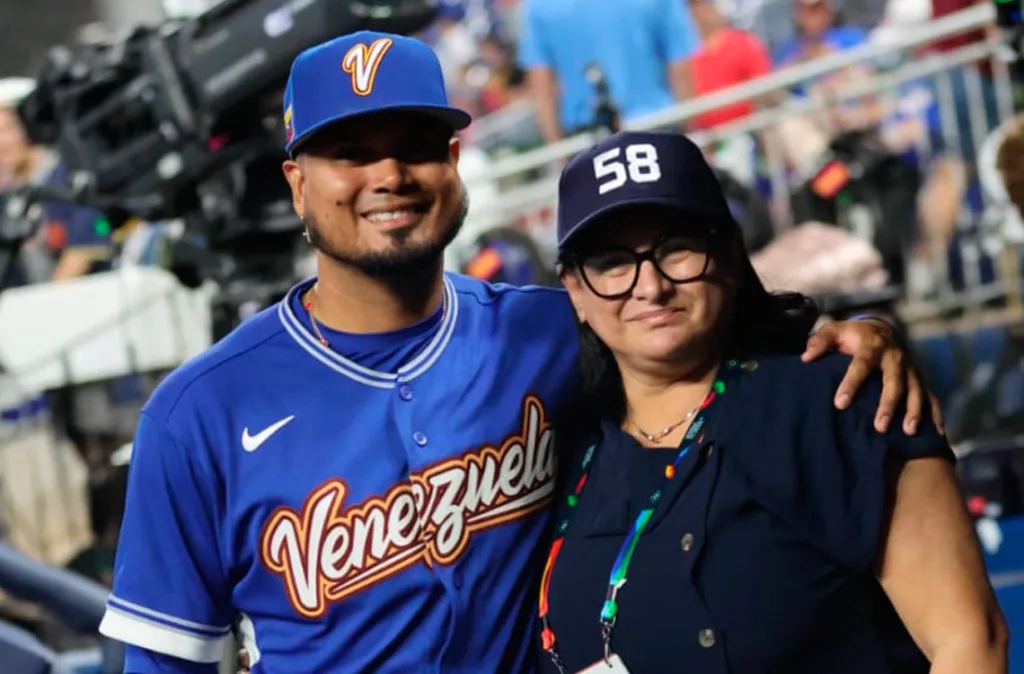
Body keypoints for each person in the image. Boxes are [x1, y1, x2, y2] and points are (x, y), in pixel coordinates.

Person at [101, 31, 937, 673]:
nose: (388, 174)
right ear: (296, 182)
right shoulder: (199, 413)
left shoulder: (555, 328)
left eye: (416, 145)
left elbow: (700, 331)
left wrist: (860, 335)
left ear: (456, 162)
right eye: (350, 153)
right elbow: (163, 655)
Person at [536, 130, 1007, 673]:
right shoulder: (562, 445)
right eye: (613, 263)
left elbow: (970, 643)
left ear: (732, 252)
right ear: (574, 289)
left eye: (676, 249)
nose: (650, 286)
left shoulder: (840, 398)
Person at [516, 0, 700, 143]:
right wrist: (688, 128)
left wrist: (557, 148)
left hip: (587, 141)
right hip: (659, 126)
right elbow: (679, 67)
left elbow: (542, 83)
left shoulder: (538, 5)